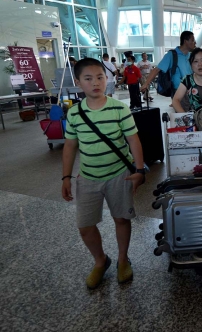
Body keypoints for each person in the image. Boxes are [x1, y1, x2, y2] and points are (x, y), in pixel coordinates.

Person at [62, 58, 145, 289]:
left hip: (119, 174)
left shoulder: (120, 108)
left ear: (106, 78)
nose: (95, 83)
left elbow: (133, 139)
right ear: (78, 82)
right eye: (88, 79)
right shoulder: (75, 113)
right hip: (87, 177)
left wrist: (139, 170)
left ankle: (122, 259)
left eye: (100, 77)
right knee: (85, 226)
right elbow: (70, 146)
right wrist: (66, 177)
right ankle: (101, 261)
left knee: (121, 218)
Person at [140, 31, 196, 98]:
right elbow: (157, 69)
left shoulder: (191, 56)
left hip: (192, 90)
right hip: (179, 91)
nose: (195, 43)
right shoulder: (171, 55)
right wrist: (146, 84)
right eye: (192, 40)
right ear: (185, 41)